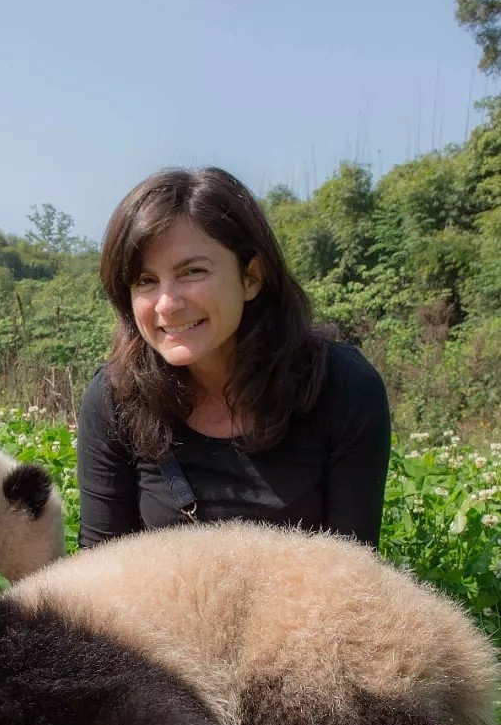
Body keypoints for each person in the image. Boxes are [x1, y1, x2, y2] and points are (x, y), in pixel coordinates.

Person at [78, 166, 391, 549]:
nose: (167, 304)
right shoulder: (115, 398)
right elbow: (98, 578)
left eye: (192, 271)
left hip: (309, 610)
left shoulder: (343, 388)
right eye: (146, 281)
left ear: (251, 277)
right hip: (155, 611)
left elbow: (354, 575)